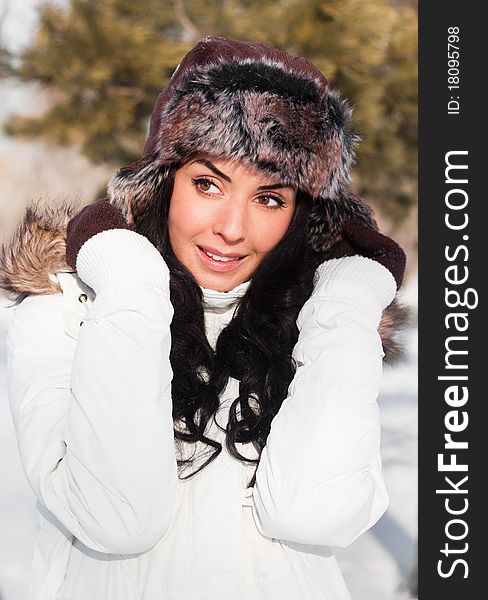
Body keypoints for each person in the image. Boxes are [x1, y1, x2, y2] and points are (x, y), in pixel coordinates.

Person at [1, 36, 406, 600]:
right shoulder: (67, 313)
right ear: (163, 184)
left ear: (300, 215)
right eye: (208, 184)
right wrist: (132, 284)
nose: (232, 228)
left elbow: (314, 513)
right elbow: (115, 517)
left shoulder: (318, 329)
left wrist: (344, 303)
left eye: (269, 198)